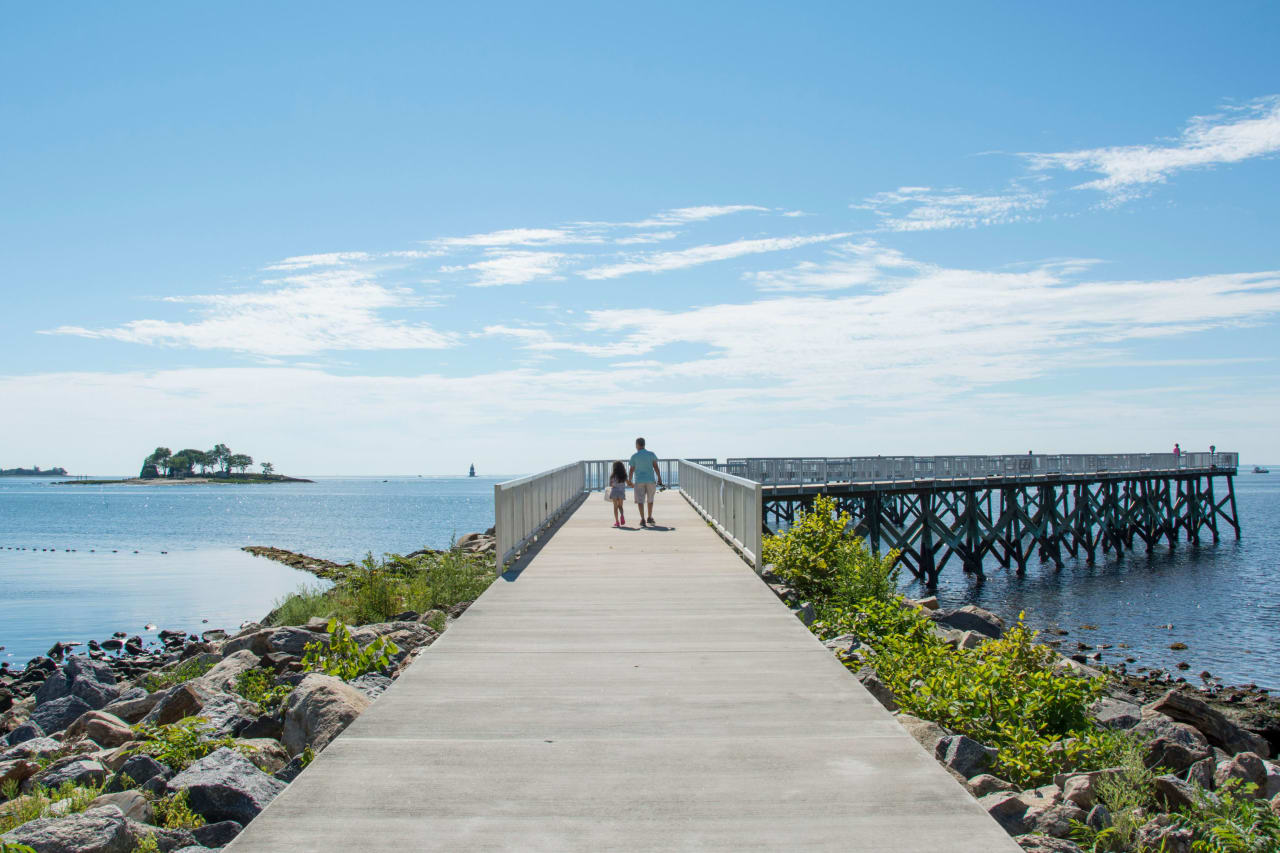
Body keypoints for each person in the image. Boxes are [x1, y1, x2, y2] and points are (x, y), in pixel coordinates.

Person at [628, 437, 663, 527]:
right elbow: (655, 467)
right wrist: (659, 478)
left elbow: (631, 470)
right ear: (644, 444)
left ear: (637, 445)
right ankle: (650, 517)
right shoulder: (651, 454)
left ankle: (642, 519)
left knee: (640, 500)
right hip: (650, 480)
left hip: (639, 480)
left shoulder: (634, 456)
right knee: (650, 499)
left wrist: (629, 480)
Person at [607, 460, 628, 528]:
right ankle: (622, 515)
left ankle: (617, 522)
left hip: (614, 492)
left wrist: (613, 484)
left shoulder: (612, 475)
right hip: (621, 493)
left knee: (615, 507)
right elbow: (628, 482)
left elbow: (610, 484)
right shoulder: (624, 475)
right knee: (620, 506)